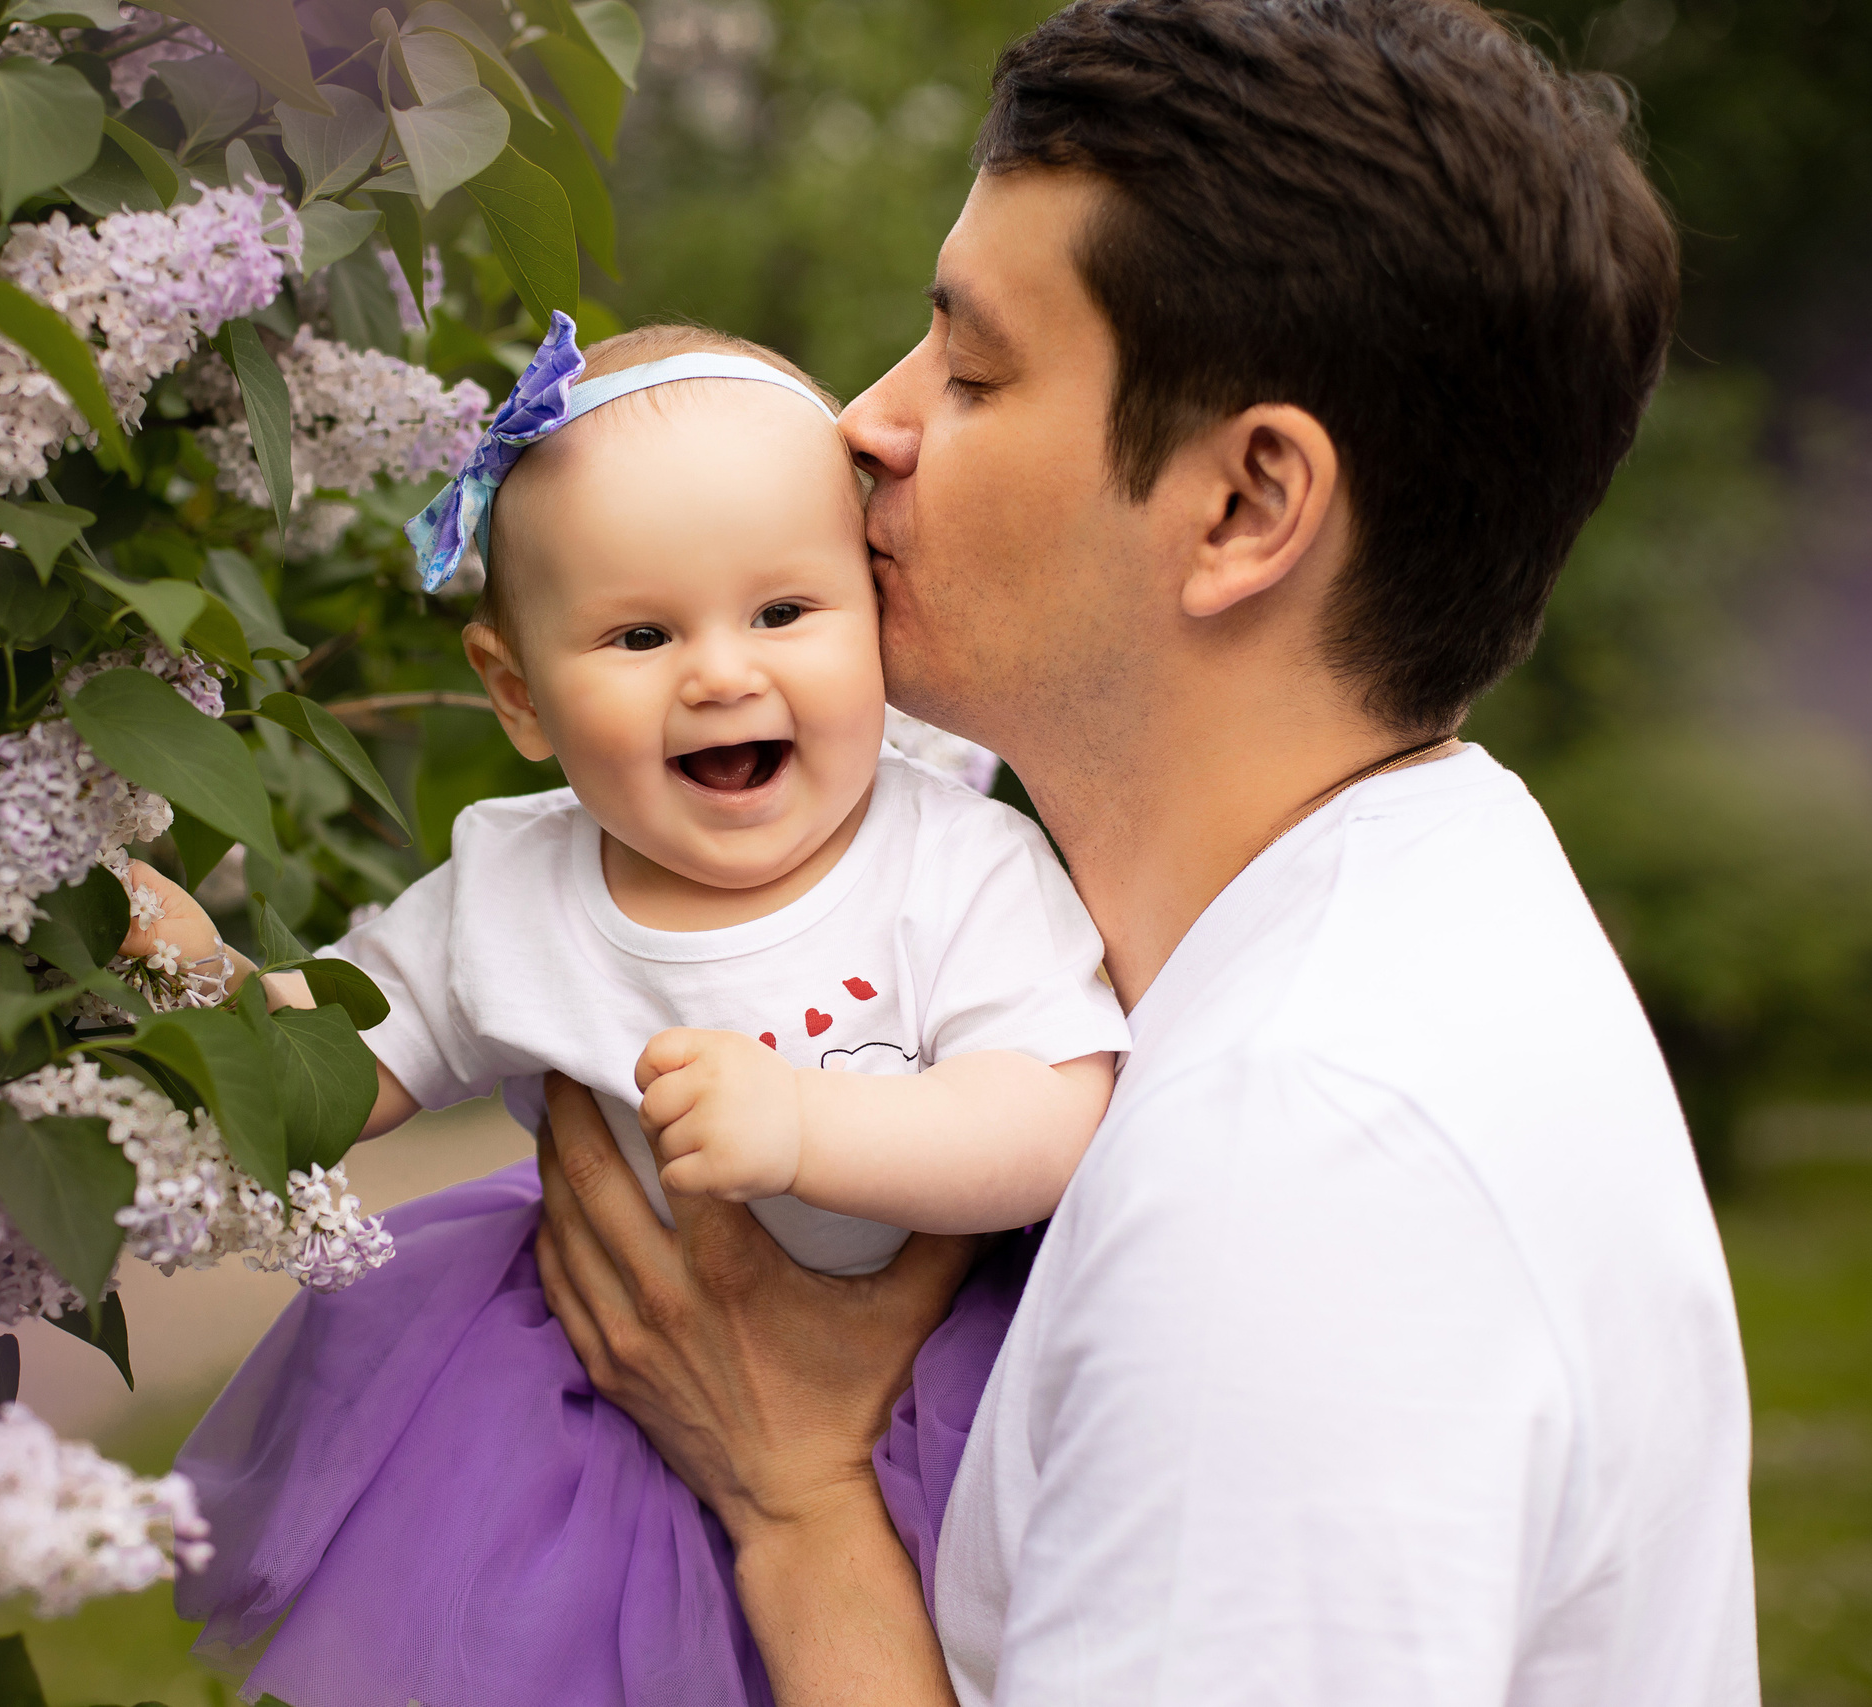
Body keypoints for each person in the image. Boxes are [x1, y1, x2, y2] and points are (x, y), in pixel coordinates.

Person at [529, 3, 1759, 1704]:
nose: (864, 427)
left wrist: (795, 1502)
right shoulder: (1418, 906)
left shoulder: (1301, 1182)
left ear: (1247, 509)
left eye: (970, 371)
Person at [131, 317, 1130, 1705]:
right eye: (640, 633)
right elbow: (339, 1062)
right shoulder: (512, 884)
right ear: (516, 689)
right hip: (575, 1431)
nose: (722, 673)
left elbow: (1055, 1111)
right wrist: (202, 984)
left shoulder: (954, 860)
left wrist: (806, 1122)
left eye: (784, 612)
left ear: (876, 618)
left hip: (909, 1403)